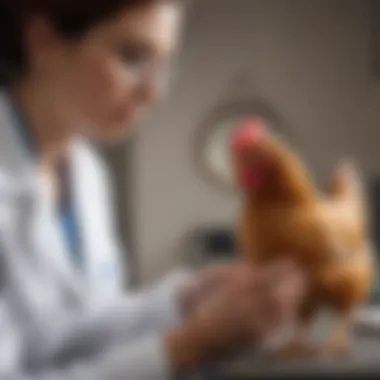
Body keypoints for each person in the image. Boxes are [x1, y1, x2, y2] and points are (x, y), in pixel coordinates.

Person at [0, 0, 306, 379]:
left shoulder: (86, 173)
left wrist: (187, 298)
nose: (153, 94)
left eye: (162, 67)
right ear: (42, 40)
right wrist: (192, 343)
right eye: (131, 58)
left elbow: (68, 338)